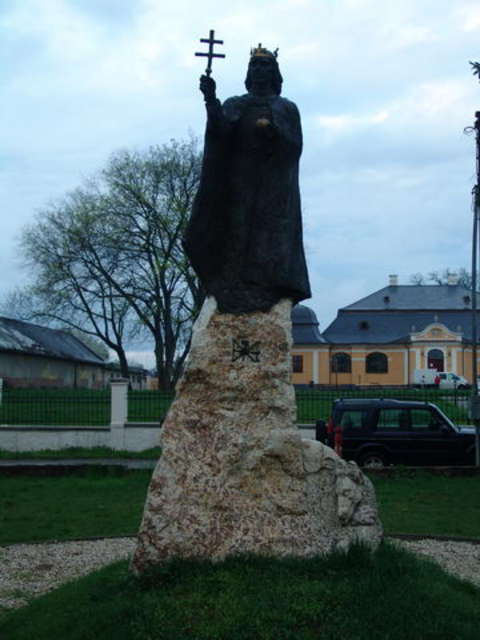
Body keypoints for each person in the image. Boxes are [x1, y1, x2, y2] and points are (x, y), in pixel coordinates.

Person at [183, 45, 311, 313]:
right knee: (236, 231)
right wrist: (211, 100)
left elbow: (294, 147)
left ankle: (266, 287)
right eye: (255, 65)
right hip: (238, 181)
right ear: (248, 72)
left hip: (274, 186)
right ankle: (232, 284)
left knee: (269, 236)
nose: (259, 70)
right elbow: (219, 134)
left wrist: (273, 133)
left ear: (274, 72)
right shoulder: (235, 104)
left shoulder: (287, 108)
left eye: (265, 65)